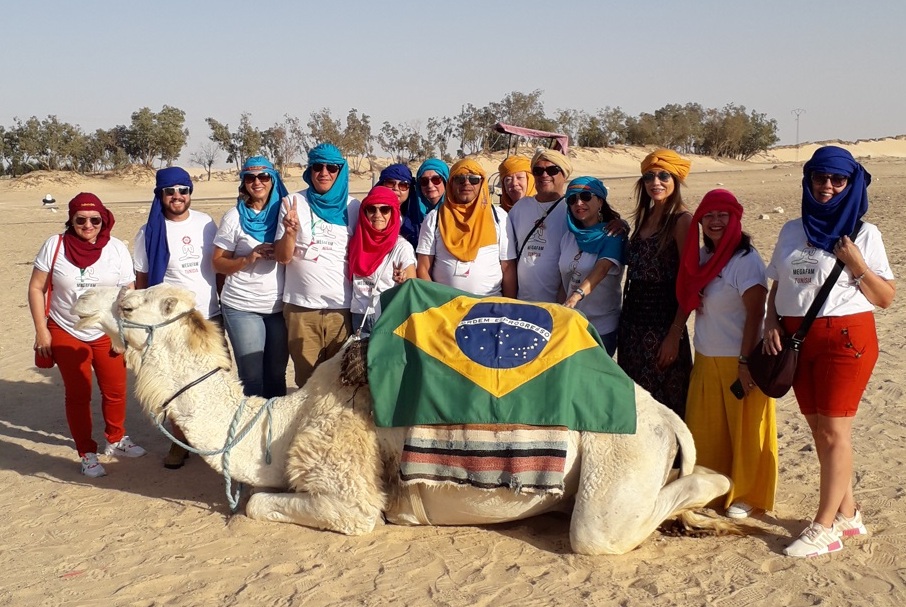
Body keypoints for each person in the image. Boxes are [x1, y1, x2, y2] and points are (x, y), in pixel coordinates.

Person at [765, 146, 895, 558]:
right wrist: (771, 320)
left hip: (846, 339)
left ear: (851, 183)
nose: (827, 187)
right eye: (820, 178)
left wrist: (857, 263)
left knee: (836, 432)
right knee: (818, 430)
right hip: (797, 339)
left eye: (837, 180)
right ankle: (849, 513)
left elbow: (885, 297)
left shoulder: (865, 233)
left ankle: (824, 527)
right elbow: (777, 285)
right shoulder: (791, 230)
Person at [27, 193, 143, 478]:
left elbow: (128, 292)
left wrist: (126, 331)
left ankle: (116, 439)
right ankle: (87, 453)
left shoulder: (116, 249)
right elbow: (36, 288)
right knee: (78, 393)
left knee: (115, 389)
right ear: (72, 220)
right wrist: (41, 330)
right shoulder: (54, 245)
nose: (88, 225)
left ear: (103, 220)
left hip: (107, 329)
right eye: (81, 219)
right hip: (66, 328)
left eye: (94, 219)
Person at [678, 189, 777, 520]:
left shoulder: (745, 261)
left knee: (746, 431)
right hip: (706, 356)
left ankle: (747, 494)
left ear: (735, 219)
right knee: (708, 430)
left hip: (740, 359)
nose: (716, 221)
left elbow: (756, 314)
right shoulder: (705, 258)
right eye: (710, 215)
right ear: (702, 222)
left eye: (723, 215)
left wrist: (746, 361)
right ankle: (712, 488)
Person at [134, 166, 221, 469]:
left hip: (209, 315)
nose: (177, 196)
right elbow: (143, 281)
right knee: (175, 383)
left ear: (190, 193)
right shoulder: (149, 232)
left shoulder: (206, 223)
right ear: (160, 194)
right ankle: (179, 441)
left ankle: (212, 438)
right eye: (170, 191)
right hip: (170, 323)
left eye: (182, 190)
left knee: (213, 378)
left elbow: (218, 267)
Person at [275, 143, 360, 388]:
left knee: (340, 382)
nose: (324, 173)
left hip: (341, 309)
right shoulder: (292, 202)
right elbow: (282, 257)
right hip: (301, 308)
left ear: (340, 171)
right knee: (307, 381)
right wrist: (290, 232)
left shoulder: (353, 207)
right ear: (310, 170)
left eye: (331, 168)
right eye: (317, 167)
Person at [617, 149, 694, 419]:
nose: (656, 182)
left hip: (662, 329)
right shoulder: (643, 218)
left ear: (676, 181)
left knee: (666, 410)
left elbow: (689, 283)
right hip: (632, 328)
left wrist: (674, 335)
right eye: (649, 176)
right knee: (637, 405)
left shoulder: (682, 221)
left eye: (663, 176)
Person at [213, 156, 289, 399]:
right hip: (242, 305)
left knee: (276, 375)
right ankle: (250, 433)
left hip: (278, 306)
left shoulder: (284, 215)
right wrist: (248, 259)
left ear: (273, 179)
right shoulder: (233, 217)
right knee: (252, 376)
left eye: (263, 176)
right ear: (243, 182)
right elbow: (217, 262)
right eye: (250, 177)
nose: (257, 182)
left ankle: (274, 431)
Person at [416, 158, 515, 297]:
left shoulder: (499, 217)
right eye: (459, 179)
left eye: (473, 179)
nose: (466, 183)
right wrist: (435, 302)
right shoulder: (435, 218)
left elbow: (508, 268)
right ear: (451, 184)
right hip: (447, 308)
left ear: (482, 183)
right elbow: (423, 268)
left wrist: (509, 306)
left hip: (490, 307)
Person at [557, 177, 626, 356]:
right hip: (572, 323)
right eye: (572, 199)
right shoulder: (567, 238)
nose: (579, 203)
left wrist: (576, 296)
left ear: (600, 201)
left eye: (586, 196)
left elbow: (601, 269)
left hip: (601, 327)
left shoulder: (613, 234)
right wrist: (559, 311)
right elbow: (564, 280)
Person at [505, 149, 571, 303]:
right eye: (538, 170)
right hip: (522, 302)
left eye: (552, 170)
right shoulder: (520, 208)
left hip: (558, 305)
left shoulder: (573, 209)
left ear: (565, 174)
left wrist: (617, 223)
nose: (544, 175)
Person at [348, 186, 416, 336]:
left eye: (384, 209)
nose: (377, 215)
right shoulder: (357, 242)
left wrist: (402, 279)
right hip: (359, 316)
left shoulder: (401, 247)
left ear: (393, 213)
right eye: (372, 209)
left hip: (387, 315)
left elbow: (412, 283)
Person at [402, 158, 449, 249]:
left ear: (445, 182)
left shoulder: (456, 212)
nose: (430, 185)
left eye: (436, 180)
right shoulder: (412, 213)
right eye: (424, 181)